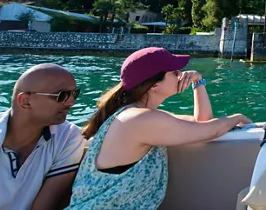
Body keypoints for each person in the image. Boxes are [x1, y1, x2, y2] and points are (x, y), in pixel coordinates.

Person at [68, 47, 253, 209]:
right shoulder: (140, 120)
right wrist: (236, 117)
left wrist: (198, 82)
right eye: (174, 72)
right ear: (155, 85)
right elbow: (209, 131)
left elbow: (202, 122)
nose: (181, 74)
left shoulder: (140, 115)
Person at [0, 63, 86, 210]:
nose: (71, 102)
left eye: (74, 94)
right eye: (62, 95)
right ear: (25, 101)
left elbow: (44, 206)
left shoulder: (67, 137)